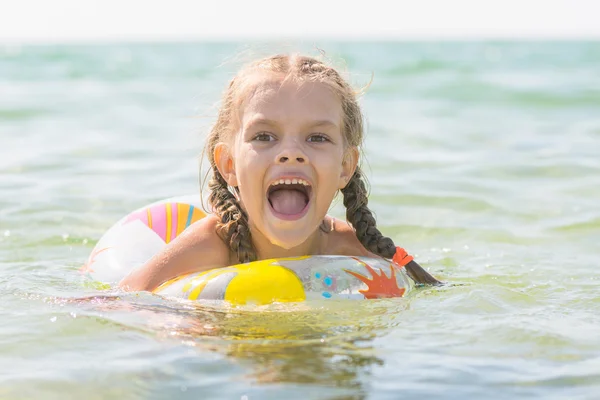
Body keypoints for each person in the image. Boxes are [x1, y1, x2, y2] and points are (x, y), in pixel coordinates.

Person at [119, 53, 440, 292]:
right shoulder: (209, 245)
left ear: (345, 166)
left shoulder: (351, 249)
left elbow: (428, 290)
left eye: (316, 137)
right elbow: (123, 301)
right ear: (229, 164)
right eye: (264, 136)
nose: (290, 152)